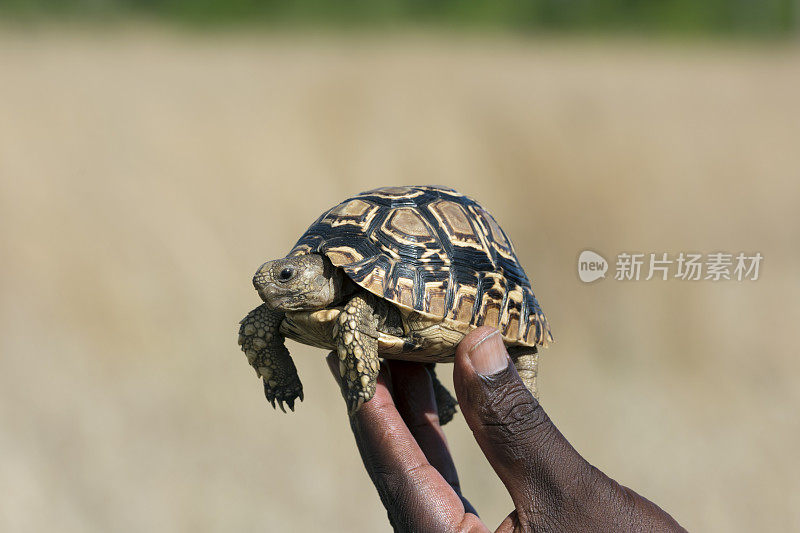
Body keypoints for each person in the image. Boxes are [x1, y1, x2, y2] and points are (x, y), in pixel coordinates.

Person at [326, 326, 687, 532]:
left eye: (288, 277)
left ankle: (435, 386)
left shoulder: (356, 313)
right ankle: (433, 385)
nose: (269, 287)